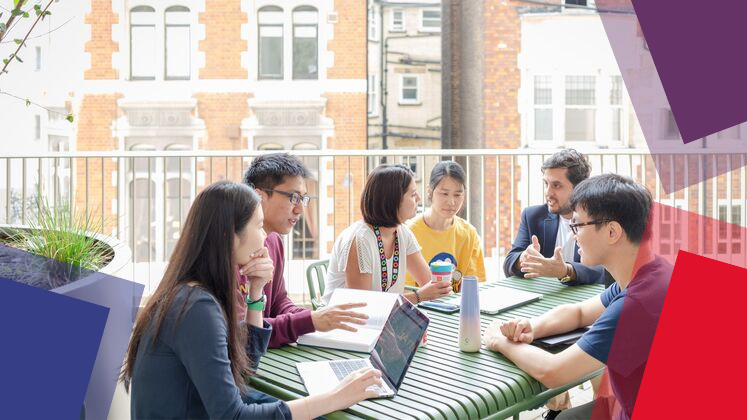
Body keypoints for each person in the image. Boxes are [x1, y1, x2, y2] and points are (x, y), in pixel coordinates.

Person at [120, 181, 382, 419]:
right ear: (229, 235)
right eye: (258, 226)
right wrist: (337, 397)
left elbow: (244, 366)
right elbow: (232, 416)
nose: (265, 237)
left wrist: (257, 292)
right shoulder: (197, 308)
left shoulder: (193, 293)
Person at [483, 174, 672, 420]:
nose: (573, 235)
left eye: (578, 225)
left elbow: (554, 372)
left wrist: (498, 341)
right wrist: (532, 327)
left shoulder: (636, 305)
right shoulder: (653, 272)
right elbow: (580, 313)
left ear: (612, 232)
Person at [241, 153, 369, 348]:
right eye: (293, 198)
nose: (300, 209)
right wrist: (309, 321)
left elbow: (279, 302)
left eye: (303, 199)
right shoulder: (235, 251)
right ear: (260, 196)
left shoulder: (274, 240)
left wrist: (316, 317)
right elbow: (244, 332)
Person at [322, 164, 452, 305]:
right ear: (392, 199)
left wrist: (442, 288)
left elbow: (428, 281)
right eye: (413, 194)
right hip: (343, 323)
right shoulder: (360, 240)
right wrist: (418, 296)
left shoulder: (402, 232)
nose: (419, 199)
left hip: (384, 320)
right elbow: (361, 307)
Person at [503, 149, 614, 287]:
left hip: (589, 299)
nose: (548, 192)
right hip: (545, 298)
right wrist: (523, 259)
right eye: (546, 184)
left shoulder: (599, 219)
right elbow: (509, 263)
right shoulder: (532, 216)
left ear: (579, 188)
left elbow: (607, 270)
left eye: (556, 185)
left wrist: (566, 271)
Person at [406, 161, 486, 288]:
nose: (451, 202)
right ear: (429, 191)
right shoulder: (409, 232)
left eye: (457, 194)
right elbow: (406, 289)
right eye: (444, 193)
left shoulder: (469, 233)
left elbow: (475, 284)